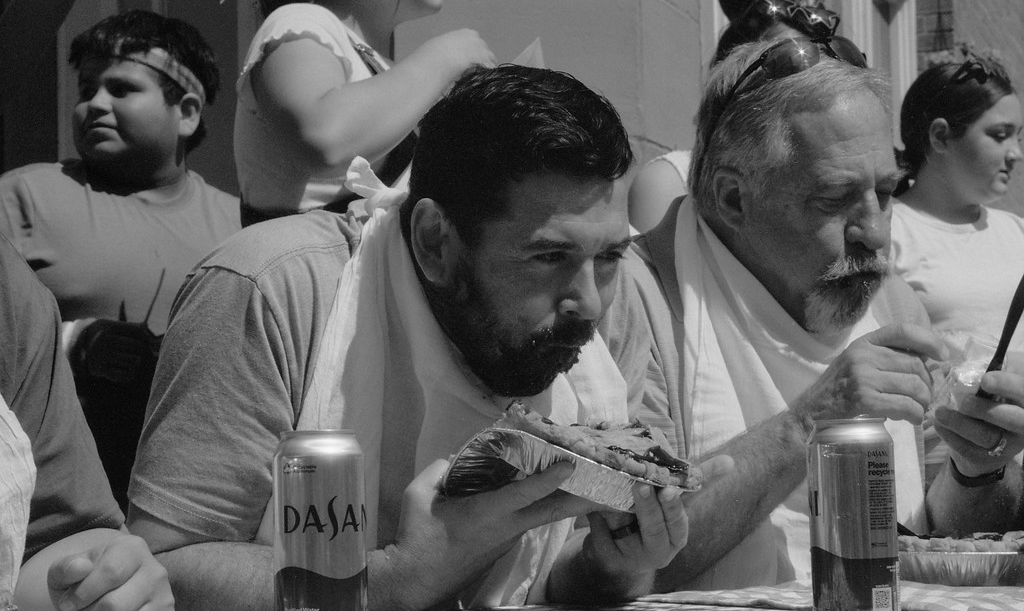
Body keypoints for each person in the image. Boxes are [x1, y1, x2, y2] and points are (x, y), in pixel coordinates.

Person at [127, 65, 723, 610]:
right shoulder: (274, 290)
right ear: (436, 242)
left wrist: (610, 566)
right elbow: (164, 570)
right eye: (548, 256)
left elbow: (553, 578)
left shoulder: (598, 323)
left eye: (611, 254)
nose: (589, 302)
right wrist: (394, 581)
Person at [604, 36, 1024, 591]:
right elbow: (627, 562)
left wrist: (978, 469)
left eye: (887, 192)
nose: (875, 234)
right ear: (733, 199)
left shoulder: (890, 299)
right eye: (833, 200)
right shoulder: (638, 299)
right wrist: (809, 422)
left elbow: (939, 532)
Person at [0, 9, 241, 510]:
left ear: (188, 112)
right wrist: (76, 341)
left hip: (195, 511)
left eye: (121, 89)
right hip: (53, 513)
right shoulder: (24, 196)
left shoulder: (242, 228)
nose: (94, 104)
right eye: (87, 88)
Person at [223, 0, 495, 226]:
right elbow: (325, 137)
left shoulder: (385, 71)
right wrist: (444, 58)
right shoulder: (300, 22)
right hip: (306, 268)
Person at [1, 231, 173, 611]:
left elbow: (50, 537)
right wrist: (78, 341)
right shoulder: (25, 197)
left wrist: (107, 581)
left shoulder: (8, 285)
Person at [628, 0, 844, 233]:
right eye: (786, 63)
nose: (803, 84)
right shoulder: (668, 183)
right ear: (730, 79)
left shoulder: (839, 180)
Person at [891, 54, 1024, 348]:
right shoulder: (889, 236)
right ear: (940, 136)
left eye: (1019, 138)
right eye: (1000, 135)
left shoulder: (1017, 232)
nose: (1016, 153)